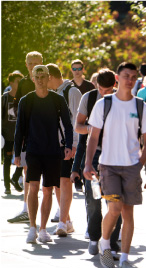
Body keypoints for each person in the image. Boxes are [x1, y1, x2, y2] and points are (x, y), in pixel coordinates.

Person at [83, 62, 146, 268]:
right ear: (117, 78)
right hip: (109, 167)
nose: (130, 80)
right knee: (114, 209)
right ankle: (105, 243)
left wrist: (138, 165)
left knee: (128, 213)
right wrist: (88, 163)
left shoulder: (141, 106)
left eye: (133, 76)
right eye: (126, 76)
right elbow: (93, 136)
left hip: (131, 167)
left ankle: (124, 259)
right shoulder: (104, 104)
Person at [14, 65, 74, 243]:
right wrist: (17, 153)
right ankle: (32, 228)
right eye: (37, 76)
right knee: (33, 187)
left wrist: (68, 146)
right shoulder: (26, 100)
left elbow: (67, 124)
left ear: (49, 78)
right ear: (32, 78)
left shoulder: (57, 99)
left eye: (43, 76)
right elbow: (20, 129)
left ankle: (42, 229)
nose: (40, 80)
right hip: (33, 150)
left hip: (53, 151)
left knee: (48, 190)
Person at [71, 68, 122, 258]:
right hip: (93, 156)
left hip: (116, 156)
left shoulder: (122, 100)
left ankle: (112, 242)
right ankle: (94, 238)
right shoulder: (89, 98)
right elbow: (78, 126)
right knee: (93, 200)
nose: (105, 94)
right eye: (102, 89)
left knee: (115, 201)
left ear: (114, 86)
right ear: (96, 86)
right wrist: (94, 129)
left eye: (109, 90)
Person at [46, 63, 82, 236]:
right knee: (57, 183)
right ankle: (67, 221)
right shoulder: (53, 94)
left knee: (64, 181)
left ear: (51, 77)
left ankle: (62, 222)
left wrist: (73, 144)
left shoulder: (72, 92)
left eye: (45, 78)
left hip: (68, 144)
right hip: (54, 145)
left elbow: (77, 119)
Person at [8, 51, 43, 223]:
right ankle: (26, 210)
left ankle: (62, 216)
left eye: (36, 62)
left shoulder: (46, 80)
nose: (33, 66)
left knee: (52, 177)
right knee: (27, 170)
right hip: (27, 135)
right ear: (26, 64)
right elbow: (16, 107)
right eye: (30, 63)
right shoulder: (23, 82)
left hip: (46, 134)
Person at [2, 72, 24, 194]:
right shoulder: (4, 98)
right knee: (7, 159)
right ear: (11, 83)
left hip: (21, 135)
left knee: (23, 158)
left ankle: (15, 178)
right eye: (17, 81)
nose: (20, 83)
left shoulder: (23, 98)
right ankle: (7, 186)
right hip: (7, 135)